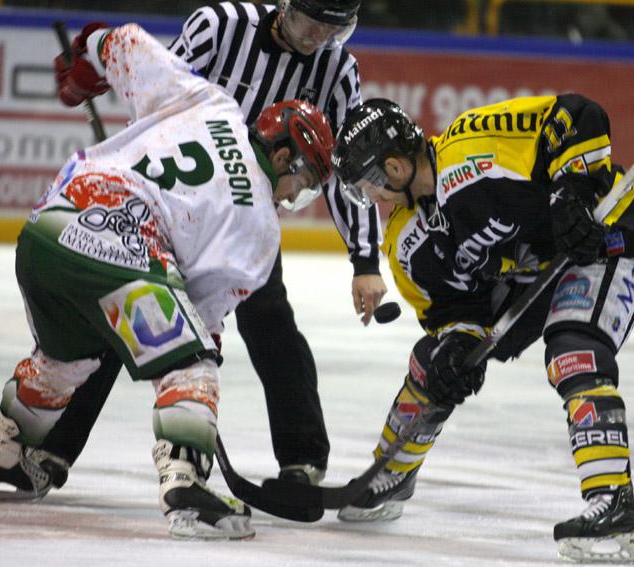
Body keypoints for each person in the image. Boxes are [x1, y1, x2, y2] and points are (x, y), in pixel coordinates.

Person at [0, 22, 336, 541]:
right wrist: (195, 359)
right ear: (280, 156)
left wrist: (86, 62)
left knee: (64, 364)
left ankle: (3, 456)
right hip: (120, 250)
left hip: (46, 233)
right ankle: (185, 485)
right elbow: (199, 317)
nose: (295, 196)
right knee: (192, 364)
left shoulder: (212, 103)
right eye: (303, 182)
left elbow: (124, 42)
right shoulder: (260, 229)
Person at [23, 0, 385, 497]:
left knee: (270, 323)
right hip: (165, 209)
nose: (316, 38)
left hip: (241, 224)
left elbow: (342, 169)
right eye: (309, 23)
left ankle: (302, 459)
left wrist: (365, 259)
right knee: (116, 313)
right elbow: (162, 90)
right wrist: (99, 71)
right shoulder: (220, 26)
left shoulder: (337, 70)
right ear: (285, 6)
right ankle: (51, 449)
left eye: (331, 30)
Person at [329, 97, 634, 563]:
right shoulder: (405, 241)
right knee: (434, 362)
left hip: (606, 237)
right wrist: (458, 346)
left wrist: (572, 195)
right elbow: (456, 310)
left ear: (395, 168)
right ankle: (392, 472)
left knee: (574, 351)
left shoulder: (473, 144)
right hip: (537, 271)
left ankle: (613, 502)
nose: (373, 199)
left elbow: (577, 115)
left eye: (369, 185)